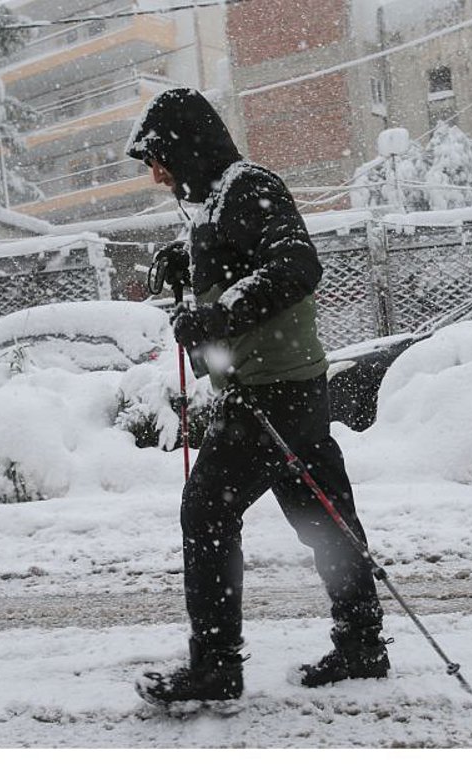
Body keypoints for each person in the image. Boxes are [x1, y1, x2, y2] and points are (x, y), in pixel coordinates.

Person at [126, 88, 389, 704]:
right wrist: (188, 258)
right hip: (293, 387)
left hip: (271, 393)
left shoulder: (246, 187)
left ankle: (216, 665)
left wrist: (218, 316)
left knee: (207, 510)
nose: (157, 174)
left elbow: (296, 266)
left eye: (160, 158)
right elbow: (240, 256)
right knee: (323, 515)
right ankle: (362, 644)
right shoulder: (224, 200)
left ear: (188, 146)